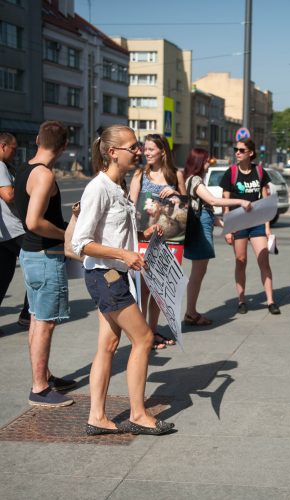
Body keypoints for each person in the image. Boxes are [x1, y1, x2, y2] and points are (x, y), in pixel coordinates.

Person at [72, 125, 174, 435]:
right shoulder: (99, 188)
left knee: (108, 344)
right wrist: (123, 255)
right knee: (143, 339)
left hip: (113, 273)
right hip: (107, 275)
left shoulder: (119, 185)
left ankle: (97, 417)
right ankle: (139, 415)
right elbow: (81, 243)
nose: (139, 151)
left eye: (138, 146)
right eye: (133, 147)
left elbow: (115, 232)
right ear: (112, 152)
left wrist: (145, 234)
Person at [14, 121, 76, 407]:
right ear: (63, 147)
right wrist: (66, 236)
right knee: (45, 322)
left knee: (38, 318)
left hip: (31, 254)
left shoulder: (24, 168)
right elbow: (34, 221)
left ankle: (45, 375)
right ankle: (39, 387)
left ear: (38, 139)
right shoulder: (44, 175)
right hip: (45, 256)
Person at [129, 134, 186, 349]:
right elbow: (131, 206)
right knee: (144, 288)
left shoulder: (175, 175)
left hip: (170, 240)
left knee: (160, 289)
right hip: (145, 238)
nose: (146, 152)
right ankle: (144, 334)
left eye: (151, 149)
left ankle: (152, 330)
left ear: (162, 151)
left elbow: (186, 206)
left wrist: (177, 196)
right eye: (146, 149)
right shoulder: (139, 175)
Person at [183, 148, 251, 325]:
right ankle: (190, 313)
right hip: (199, 233)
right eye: (206, 161)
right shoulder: (196, 180)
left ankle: (191, 311)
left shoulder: (192, 179)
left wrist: (225, 225)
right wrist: (240, 201)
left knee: (199, 272)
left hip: (202, 228)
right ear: (199, 162)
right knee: (197, 273)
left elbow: (206, 212)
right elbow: (212, 202)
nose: (208, 164)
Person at [220, 138, 280, 315]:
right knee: (241, 261)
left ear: (251, 153)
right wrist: (228, 228)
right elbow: (225, 202)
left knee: (263, 260)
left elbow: (266, 202)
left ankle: (270, 301)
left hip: (257, 223)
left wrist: (267, 228)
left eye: (241, 150)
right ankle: (241, 300)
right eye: (236, 150)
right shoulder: (230, 172)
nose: (237, 153)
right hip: (237, 223)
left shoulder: (260, 172)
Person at [0, 132, 30, 328]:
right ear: (3, 146)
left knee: (3, 276)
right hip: (15, 229)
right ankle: (28, 314)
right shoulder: (0, 165)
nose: (15, 152)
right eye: (13, 149)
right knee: (38, 266)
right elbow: (8, 195)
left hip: (5, 233)